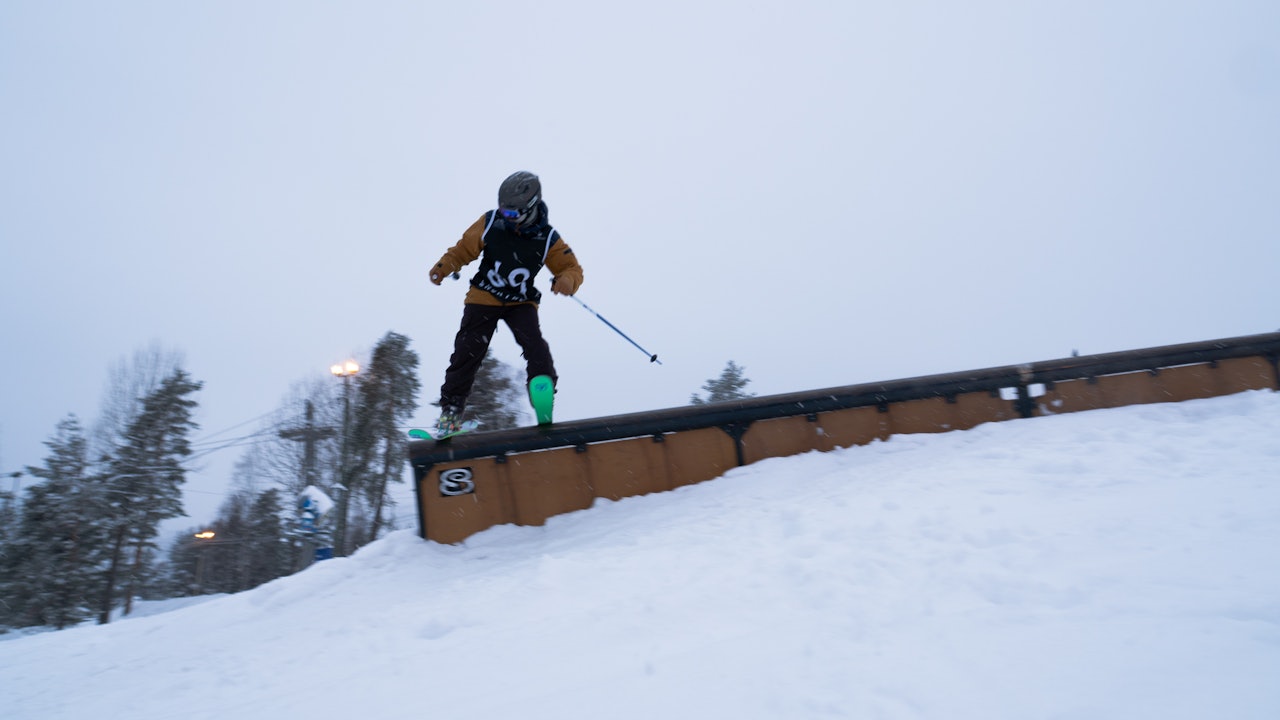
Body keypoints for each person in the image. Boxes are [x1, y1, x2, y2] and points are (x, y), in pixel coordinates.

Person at [428, 171, 584, 433]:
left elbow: (571, 268)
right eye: (503, 211)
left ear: (530, 208)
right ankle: (451, 411)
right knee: (467, 350)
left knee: (535, 346)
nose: (506, 217)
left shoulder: (547, 238)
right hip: (484, 295)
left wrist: (567, 281)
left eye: (512, 213)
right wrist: (444, 267)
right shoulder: (491, 222)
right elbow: (463, 249)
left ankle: (542, 396)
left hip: (520, 302)